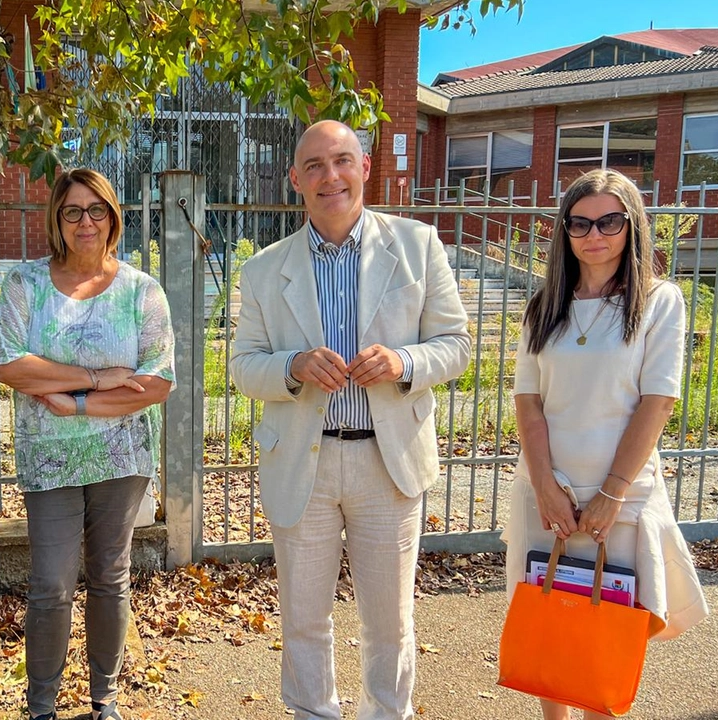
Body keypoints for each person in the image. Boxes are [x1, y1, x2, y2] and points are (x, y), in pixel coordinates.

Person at [230, 120, 471, 720]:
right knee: (304, 617)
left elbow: (457, 345)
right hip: (301, 464)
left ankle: (386, 713)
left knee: (389, 620)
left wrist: (404, 359)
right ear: (295, 180)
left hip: (386, 462)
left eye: (341, 160)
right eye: (313, 165)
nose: (329, 176)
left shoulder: (417, 246)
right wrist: (293, 365)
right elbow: (241, 367)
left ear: (365, 166)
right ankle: (314, 712)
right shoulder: (263, 269)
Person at [503, 168, 708, 719]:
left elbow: (657, 401)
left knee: (607, 630)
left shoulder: (659, 303)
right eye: (580, 222)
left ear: (632, 224)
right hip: (545, 490)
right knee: (550, 625)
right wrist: (545, 485)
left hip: (621, 496)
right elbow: (529, 401)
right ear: (565, 231)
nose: (595, 234)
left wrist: (612, 494)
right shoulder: (545, 304)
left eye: (610, 221)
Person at [0, 168, 175, 720]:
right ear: (57, 219)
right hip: (49, 455)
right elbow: (8, 364)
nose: (85, 221)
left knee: (110, 577)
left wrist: (71, 399)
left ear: (113, 217)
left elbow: (157, 383)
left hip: (123, 456)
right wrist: (98, 379)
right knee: (50, 583)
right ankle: (41, 705)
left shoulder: (142, 290)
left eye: (97, 209)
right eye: (73, 210)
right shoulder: (25, 284)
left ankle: (104, 699)